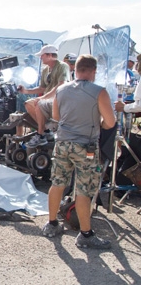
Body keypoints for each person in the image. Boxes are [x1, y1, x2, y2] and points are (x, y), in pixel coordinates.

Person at [43, 54, 116, 249]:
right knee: (84, 190)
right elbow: (110, 122)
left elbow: (57, 116)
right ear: (93, 71)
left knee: (57, 183)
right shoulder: (99, 92)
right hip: (86, 147)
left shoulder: (62, 89)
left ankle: (51, 224)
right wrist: (97, 122)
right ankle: (85, 234)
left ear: (76, 69)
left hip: (63, 143)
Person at [17, 45, 69, 147]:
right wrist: (26, 91)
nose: (41, 58)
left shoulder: (63, 66)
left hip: (60, 99)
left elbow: (61, 84)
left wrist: (44, 97)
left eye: (42, 55)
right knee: (28, 104)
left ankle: (40, 134)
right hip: (48, 99)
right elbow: (42, 88)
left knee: (39, 103)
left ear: (50, 55)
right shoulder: (45, 70)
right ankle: (46, 130)